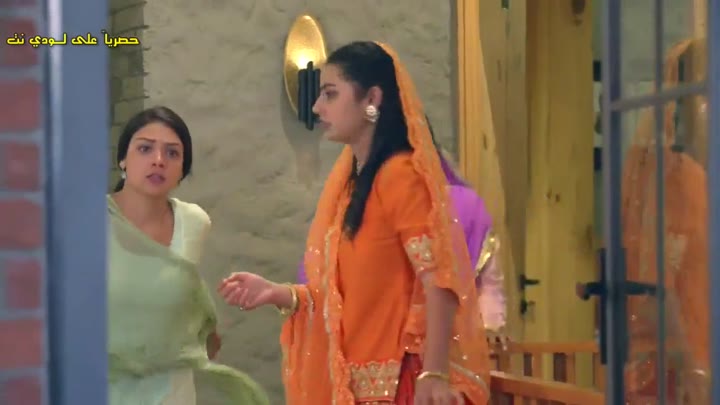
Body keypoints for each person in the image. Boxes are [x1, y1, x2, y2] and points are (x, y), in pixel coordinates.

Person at [219, 41, 491, 404]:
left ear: (372, 99)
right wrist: (278, 293)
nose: (317, 107)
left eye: (330, 94)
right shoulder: (353, 187)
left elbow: (439, 280)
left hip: (403, 384)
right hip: (362, 387)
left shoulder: (399, 175)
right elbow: (346, 298)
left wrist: (434, 374)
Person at [107, 106, 269, 405]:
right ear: (123, 159)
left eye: (172, 153)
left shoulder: (194, 222)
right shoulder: (91, 220)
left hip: (174, 390)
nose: (158, 160)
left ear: (182, 169)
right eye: (145, 149)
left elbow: (186, 294)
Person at [294, 120, 507, 338]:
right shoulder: (352, 212)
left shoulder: (464, 207)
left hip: (448, 346)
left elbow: (488, 288)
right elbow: (322, 287)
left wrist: (487, 335)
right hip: (371, 344)